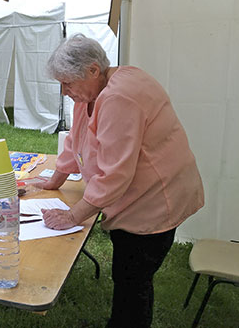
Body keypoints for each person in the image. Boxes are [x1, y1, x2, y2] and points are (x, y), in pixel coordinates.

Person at [41, 34, 204, 328]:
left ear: (93, 70)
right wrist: (54, 180)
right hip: (138, 195)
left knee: (133, 279)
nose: (64, 91)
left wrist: (73, 215)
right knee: (128, 276)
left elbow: (115, 174)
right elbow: (75, 142)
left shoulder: (118, 96)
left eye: (67, 82)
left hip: (154, 201)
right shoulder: (91, 91)